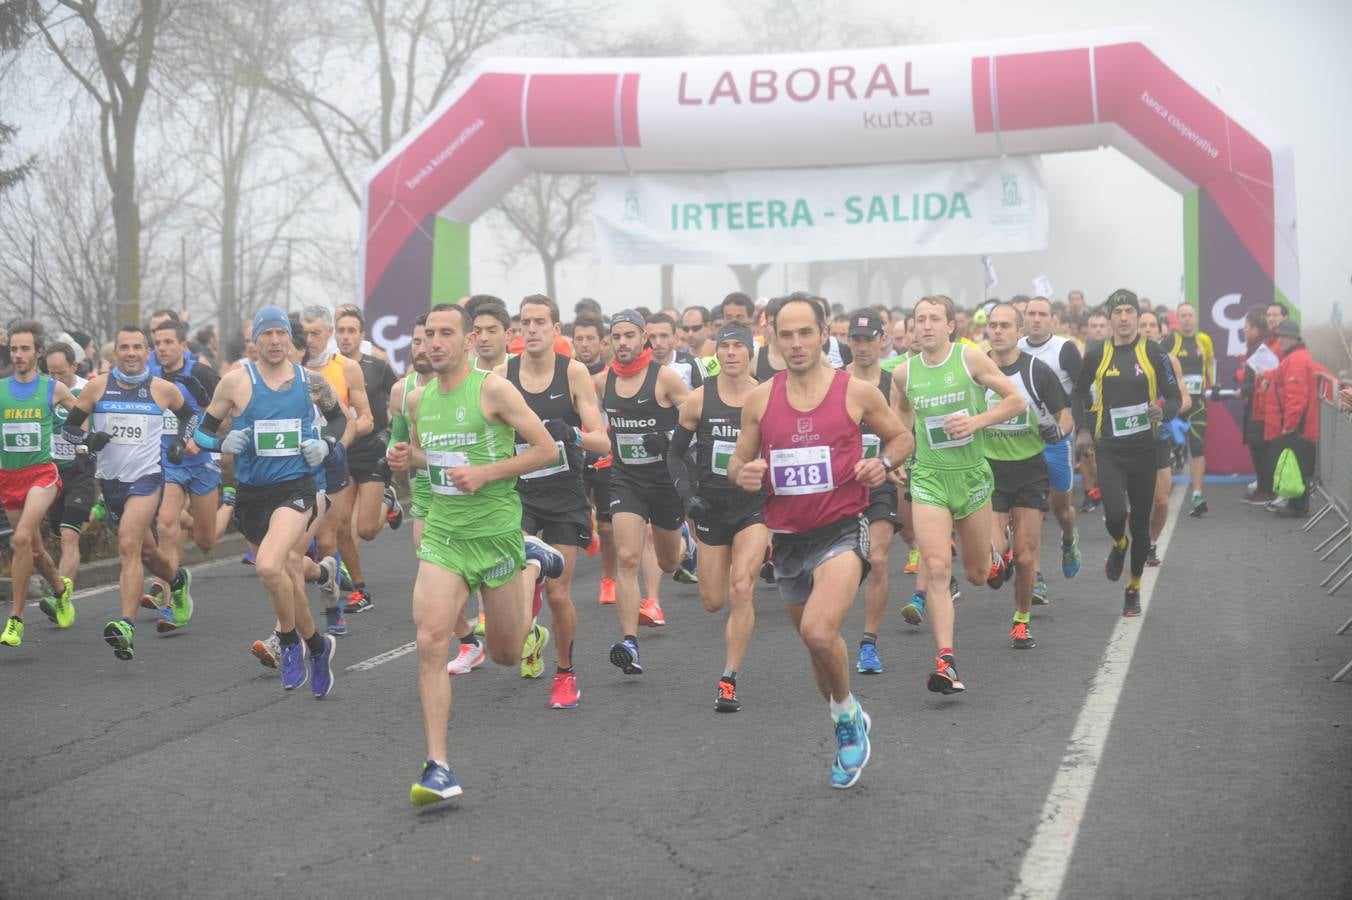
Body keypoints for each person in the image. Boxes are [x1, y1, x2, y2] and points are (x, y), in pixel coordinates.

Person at [728, 292, 913, 788]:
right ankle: (844, 713)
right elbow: (736, 463)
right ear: (771, 338)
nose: (796, 343)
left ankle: (848, 720)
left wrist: (885, 463)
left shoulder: (856, 392)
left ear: (823, 332)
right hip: (787, 538)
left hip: (841, 528)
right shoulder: (761, 399)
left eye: (805, 332)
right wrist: (743, 474)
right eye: (785, 334)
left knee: (816, 630)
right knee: (818, 646)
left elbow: (902, 438)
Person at [386, 303, 561, 806]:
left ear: (466, 341)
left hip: (496, 533)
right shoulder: (415, 401)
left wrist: (487, 473)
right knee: (429, 640)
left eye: (446, 334)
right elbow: (427, 456)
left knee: (507, 654)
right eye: (427, 335)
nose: (434, 342)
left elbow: (546, 450)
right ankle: (438, 765)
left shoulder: (492, 389)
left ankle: (531, 563)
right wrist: (406, 458)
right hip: (444, 535)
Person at [193, 306, 345, 693]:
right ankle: (316, 645)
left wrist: (325, 445)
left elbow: (340, 420)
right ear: (256, 340)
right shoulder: (234, 383)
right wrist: (223, 442)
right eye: (267, 334)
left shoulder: (310, 382)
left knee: (268, 565)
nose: (275, 341)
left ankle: (290, 644)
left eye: (281, 334)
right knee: (286, 575)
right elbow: (203, 432)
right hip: (252, 494)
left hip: (296, 489)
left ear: (290, 340)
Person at [892, 295, 1026, 692]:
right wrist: (898, 450)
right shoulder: (904, 373)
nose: (926, 326)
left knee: (977, 575)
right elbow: (898, 414)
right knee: (934, 568)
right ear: (913, 328)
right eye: (920, 319)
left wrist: (977, 422)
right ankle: (946, 660)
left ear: (951, 325)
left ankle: (995, 558)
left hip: (971, 478)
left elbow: (1015, 402)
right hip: (930, 478)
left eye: (935, 319)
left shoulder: (970, 360)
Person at [62, 324, 197, 659]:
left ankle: (126, 625)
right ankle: (178, 583)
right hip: (111, 483)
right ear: (115, 353)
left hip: (147, 479)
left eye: (138, 347)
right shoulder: (97, 388)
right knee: (148, 553)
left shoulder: (163, 389)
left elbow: (191, 417)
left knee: (127, 541)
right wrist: (88, 440)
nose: (132, 353)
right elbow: (67, 429)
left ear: (147, 353)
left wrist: (181, 442)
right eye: (125, 348)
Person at [504, 294, 610, 707]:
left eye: (539, 322)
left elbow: (602, 441)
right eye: (525, 322)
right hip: (519, 494)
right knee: (514, 578)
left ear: (555, 330)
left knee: (560, 594)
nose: (530, 329)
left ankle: (565, 674)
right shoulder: (502, 375)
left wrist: (575, 435)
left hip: (565, 494)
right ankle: (530, 629)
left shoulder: (574, 373)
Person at [667, 324, 767, 711]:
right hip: (711, 507)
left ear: (749, 353)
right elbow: (676, 454)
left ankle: (728, 678)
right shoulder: (698, 399)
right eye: (723, 347)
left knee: (742, 587)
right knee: (712, 600)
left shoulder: (766, 397)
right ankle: (705, 551)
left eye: (737, 347)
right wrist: (686, 495)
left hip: (753, 507)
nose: (729, 354)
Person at [1073, 291, 1182, 616]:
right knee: (1117, 515)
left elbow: (1173, 396)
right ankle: (1117, 545)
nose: (1123, 317)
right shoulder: (1096, 354)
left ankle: (1133, 588)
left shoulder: (1154, 352)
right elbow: (1078, 394)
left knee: (1140, 527)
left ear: (1137, 315)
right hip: (1109, 449)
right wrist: (1082, 429)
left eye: (1128, 311)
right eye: (1117, 311)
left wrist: (1163, 412)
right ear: (1109, 318)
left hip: (1145, 450)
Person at [594, 309, 690, 675]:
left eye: (629, 336)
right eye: (616, 337)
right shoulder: (603, 384)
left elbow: (697, 418)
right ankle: (630, 642)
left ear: (643, 337)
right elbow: (598, 426)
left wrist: (665, 439)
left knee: (668, 562)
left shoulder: (664, 379)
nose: (622, 343)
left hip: (664, 482)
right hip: (626, 480)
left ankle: (687, 546)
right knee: (629, 557)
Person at [985, 303, 1073, 649]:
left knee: (1025, 555)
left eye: (1005, 325)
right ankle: (999, 557)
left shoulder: (1037, 371)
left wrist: (1059, 433)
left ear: (1019, 331)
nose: (998, 331)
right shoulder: (978, 369)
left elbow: (1064, 415)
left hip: (1030, 469)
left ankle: (1021, 620)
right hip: (990, 470)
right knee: (994, 557)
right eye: (993, 325)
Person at [1, 323, 77, 648]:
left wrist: (90, 435)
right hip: (9, 478)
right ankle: (60, 591)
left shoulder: (52, 388)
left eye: (25, 349)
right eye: (14, 349)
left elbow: (82, 413)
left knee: (19, 539)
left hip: (42, 475)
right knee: (32, 548)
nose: (18, 355)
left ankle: (16, 619)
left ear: (38, 352)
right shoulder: (1, 389)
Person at [145, 317, 222, 627]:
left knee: (206, 542)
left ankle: (226, 506)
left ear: (183, 345)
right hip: (170, 462)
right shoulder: (149, 376)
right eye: (158, 343)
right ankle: (172, 599)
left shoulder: (200, 373)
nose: (162, 348)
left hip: (202, 463)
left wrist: (199, 437)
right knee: (165, 524)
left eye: (168, 342)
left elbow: (227, 411)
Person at [299, 306, 374, 620]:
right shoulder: (290, 369)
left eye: (316, 333)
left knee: (336, 534)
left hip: (333, 459)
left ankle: (354, 591)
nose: (310, 340)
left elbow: (365, 417)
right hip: (299, 463)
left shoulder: (346, 368)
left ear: (328, 333)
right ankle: (326, 584)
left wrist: (336, 445)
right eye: (304, 334)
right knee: (303, 541)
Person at [842, 309, 902, 674]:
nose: (862, 347)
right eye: (856, 340)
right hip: (839, 485)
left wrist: (894, 462)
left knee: (878, 559)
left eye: (868, 339)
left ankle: (868, 644)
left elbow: (904, 431)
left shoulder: (894, 383)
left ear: (883, 340)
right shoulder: (834, 382)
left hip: (879, 480)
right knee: (841, 565)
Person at [1017, 296, 1084, 598]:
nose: (1036, 319)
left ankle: (1069, 539)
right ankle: (1037, 577)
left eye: (1042, 314)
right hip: (1021, 440)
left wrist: (1081, 431)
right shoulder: (1013, 349)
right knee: (1030, 510)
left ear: (1053, 320)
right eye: (1031, 314)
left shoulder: (1064, 348)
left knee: (1061, 508)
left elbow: (1083, 392)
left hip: (1058, 437)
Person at [335, 308, 403, 543]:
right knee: (341, 525)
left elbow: (400, 398)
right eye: (341, 331)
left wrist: (391, 432)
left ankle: (388, 500)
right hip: (342, 449)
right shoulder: (330, 368)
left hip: (372, 449)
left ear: (362, 335)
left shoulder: (377, 366)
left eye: (351, 331)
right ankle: (350, 579)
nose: (345, 336)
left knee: (366, 530)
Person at [38, 343, 92, 618]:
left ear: (75, 366)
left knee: (70, 536)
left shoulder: (89, 390)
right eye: (51, 373)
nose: (56, 379)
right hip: (52, 472)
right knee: (61, 538)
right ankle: (64, 598)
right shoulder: (43, 391)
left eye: (61, 372)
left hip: (81, 471)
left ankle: (59, 596)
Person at [1137, 309, 1191, 566]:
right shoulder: (1120, 358)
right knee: (1136, 502)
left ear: (1160, 332)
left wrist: (1167, 408)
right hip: (1129, 439)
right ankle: (1137, 540)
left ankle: (1152, 543)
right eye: (1142, 325)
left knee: (1160, 500)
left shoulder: (1169, 361)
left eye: (1151, 325)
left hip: (1158, 437)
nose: (1147, 329)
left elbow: (1184, 398)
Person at [572, 315, 618, 604]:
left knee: (608, 525)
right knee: (577, 523)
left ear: (602, 342)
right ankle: (586, 523)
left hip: (604, 454)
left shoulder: (611, 375)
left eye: (590, 338)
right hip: (574, 454)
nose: (585, 344)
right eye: (579, 339)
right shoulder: (565, 372)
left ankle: (609, 579)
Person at [1264, 318, 1318, 518]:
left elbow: (1296, 398)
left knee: (1297, 465)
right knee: (1298, 465)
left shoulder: (1295, 360)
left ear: (1293, 338)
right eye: (1280, 336)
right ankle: (1297, 504)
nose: (1281, 340)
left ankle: (1298, 505)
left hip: (1296, 426)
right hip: (1299, 425)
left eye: (1284, 337)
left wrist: (1290, 424)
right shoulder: (1298, 357)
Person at [1167, 303, 1216, 516]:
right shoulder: (1170, 340)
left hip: (1197, 403)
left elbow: (1211, 363)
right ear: (1178, 319)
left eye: (1190, 315)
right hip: (1174, 403)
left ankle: (1197, 494)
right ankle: (1158, 494)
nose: (1187, 319)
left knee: (1197, 445)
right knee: (1165, 449)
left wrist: (1214, 384)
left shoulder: (1203, 339)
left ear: (1195, 318)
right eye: (1183, 315)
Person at [1235, 307, 1278, 504]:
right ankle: (1262, 487)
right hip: (1256, 408)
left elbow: (1263, 382)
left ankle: (1266, 491)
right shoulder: (1255, 348)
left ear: (1256, 329)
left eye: (1246, 327)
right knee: (1257, 449)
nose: (1243, 331)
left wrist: (1244, 390)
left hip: (1262, 410)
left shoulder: (1262, 349)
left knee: (1262, 451)